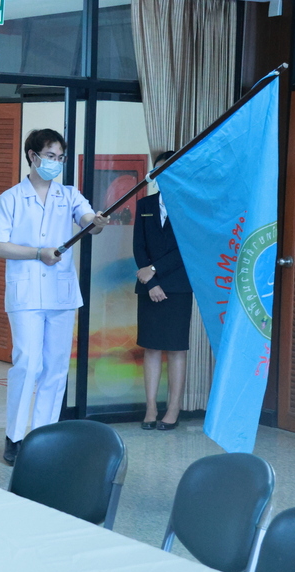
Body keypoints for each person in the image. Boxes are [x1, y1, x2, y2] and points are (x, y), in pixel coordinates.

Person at [0, 128, 110, 464]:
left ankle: (43, 436)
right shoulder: (11, 198)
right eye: (50, 156)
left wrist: (97, 221)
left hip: (60, 294)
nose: (56, 162)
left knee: (55, 367)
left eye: (60, 158)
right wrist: (38, 253)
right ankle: (15, 437)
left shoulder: (69, 195)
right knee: (27, 363)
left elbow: (89, 222)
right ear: (32, 156)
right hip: (25, 293)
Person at [133, 150, 192, 431]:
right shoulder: (145, 204)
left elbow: (186, 249)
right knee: (152, 347)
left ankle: (173, 408)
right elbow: (139, 247)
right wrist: (151, 282)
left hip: (178, 286)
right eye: (158, 171)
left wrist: (155, 271)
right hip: (148, 287)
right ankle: (151, 408)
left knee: (176, 349)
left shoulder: (190, 206)